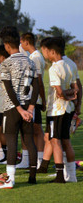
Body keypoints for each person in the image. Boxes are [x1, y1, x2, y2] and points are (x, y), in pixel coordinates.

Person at [0, 26, 38, 189]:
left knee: (11, 140)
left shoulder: (7, 63)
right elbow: (36, 86)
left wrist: (19, 109)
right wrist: (29, 108)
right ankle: (32, 177)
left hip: (12, 108)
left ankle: (11, 179)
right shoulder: (30, 61)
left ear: (7, 46)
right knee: (29, 140)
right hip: (27, 107)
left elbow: (8, 87)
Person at [42, 37, 77, 183]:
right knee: (66, 141)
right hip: (69, 109)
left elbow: (59, 92)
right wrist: (76, 103)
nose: (44, 54)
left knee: (55, 141)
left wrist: (66, 94)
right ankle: (72, 176)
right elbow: (77, 87)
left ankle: (60, 176)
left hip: (56, 110)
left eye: (44, 51)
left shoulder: (54, 68)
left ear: (52, 51)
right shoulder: (71, 63)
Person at [20, 32, 47, 165]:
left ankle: (41, 159)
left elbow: (39, 82)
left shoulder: (36, 58)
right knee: (30, 129)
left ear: (26, 42)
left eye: (21, 42)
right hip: (30, 98)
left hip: (34, 99)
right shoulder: (32, 56)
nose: (21, 44)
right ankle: (29, 159)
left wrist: (43, 100)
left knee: (36, 129)